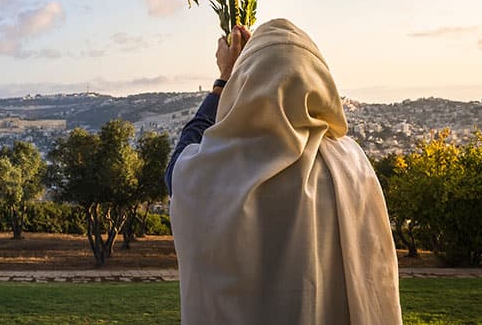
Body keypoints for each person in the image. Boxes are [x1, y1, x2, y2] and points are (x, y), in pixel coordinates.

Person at [166, 19, 402, 325]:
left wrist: (223, 80)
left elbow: (176, 169)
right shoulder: (351, 165)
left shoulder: (212, 169)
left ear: (245, 85)